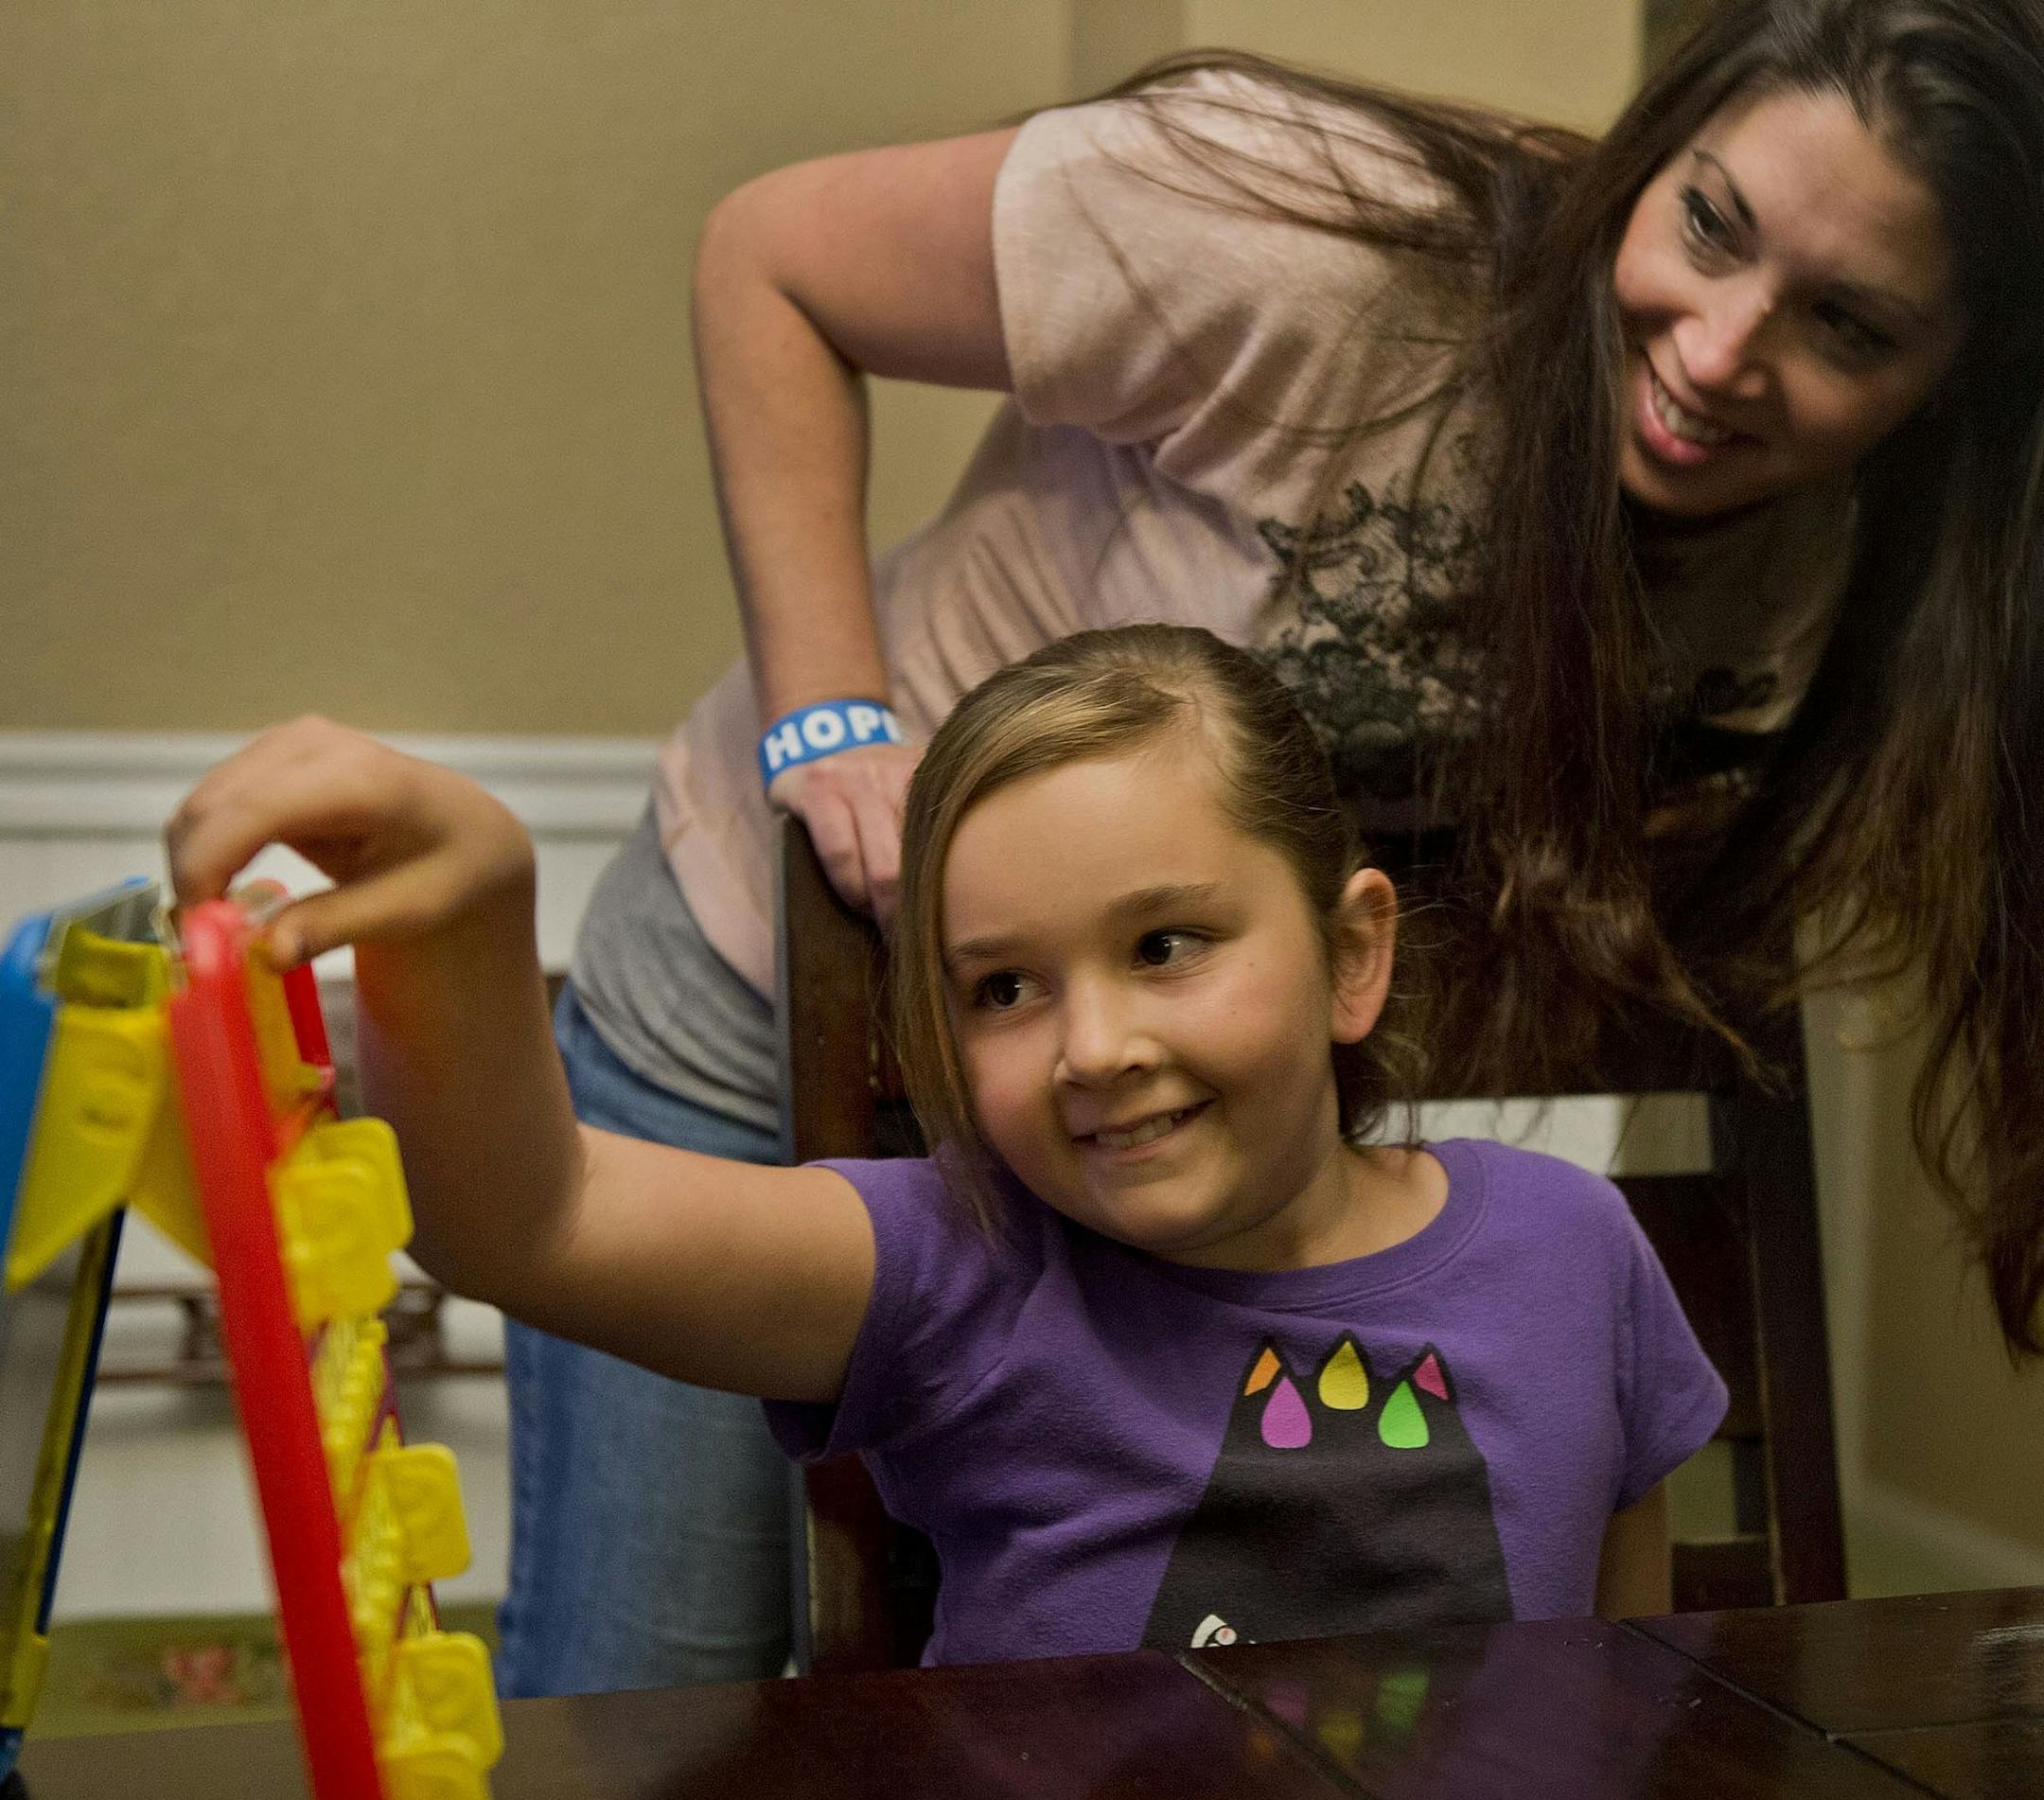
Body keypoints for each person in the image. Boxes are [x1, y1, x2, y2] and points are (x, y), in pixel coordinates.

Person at [529, 0, 2044, 1689]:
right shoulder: (1296, 232)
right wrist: (826, 721)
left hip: (1161, 1153)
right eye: (1707, 223)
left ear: (1951, 377)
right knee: (656, 1687)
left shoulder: (1877, 560)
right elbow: (770, 259)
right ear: (1652, 149)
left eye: (1845, 324)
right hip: (770, 996)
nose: (1718, 350)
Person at [165, 626, 1730, 1666]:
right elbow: (533, 1219)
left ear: (1353, 953)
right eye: (1003, 986)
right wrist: (473, 912)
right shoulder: (957, 1264)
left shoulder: (1572, 1245)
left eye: (1170, 943)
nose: (1095, 1043)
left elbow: (1619, 1692)